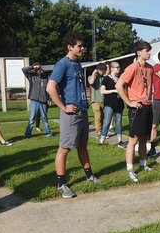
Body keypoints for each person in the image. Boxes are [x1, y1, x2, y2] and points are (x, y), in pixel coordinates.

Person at [47, 33, 99, 198]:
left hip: (82, 111)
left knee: (82, 146)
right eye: (79, 46)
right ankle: (61, 184)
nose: (82, 48)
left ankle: (89, 174)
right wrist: (63, 107)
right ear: (70, 47)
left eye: (82, 46)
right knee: (65, 148)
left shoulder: (77, 64)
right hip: (71, 113)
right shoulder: (62, 64)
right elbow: (50, 88)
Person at [116, 41, 154, 183]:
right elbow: (119, 85)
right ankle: (130, 169)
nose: (149, 53)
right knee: (133, 140)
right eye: (147, 50)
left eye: (149, 50)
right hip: (136, 108)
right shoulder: (132, 67)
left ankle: (144, 164)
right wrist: (129, 102)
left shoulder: (150, 68)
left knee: (144, 138)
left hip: (147, 106)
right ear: (139, 52)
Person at [22, 61, 54, 138]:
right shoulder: (31, 76)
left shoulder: (46, 76)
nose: (38, 70)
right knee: (32, 118)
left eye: (39, 68)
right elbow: (23, 69)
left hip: (44, 101)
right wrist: (33, 67)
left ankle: (48, 133)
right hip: (34, 100)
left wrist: (49, 99)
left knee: (44, 118)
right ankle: (27, 134)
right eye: (36, 69)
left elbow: (49, 88)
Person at [99, 61, 125, 147]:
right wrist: (113, 90)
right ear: (112, 68)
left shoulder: (120, 79)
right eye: (117, 67)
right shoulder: (106, 79)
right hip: (109, 103)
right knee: (106, 122)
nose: (119, 69)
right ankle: (101, 141)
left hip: (119, 103)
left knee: (119, 122)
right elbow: (102, 91)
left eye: (119, 67)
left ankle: (120, 141)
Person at [88, 62, 106, 136]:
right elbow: (91, 82)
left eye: (104, 70)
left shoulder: (104, 77)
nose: (103, 71)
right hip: (95, 100)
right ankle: (98, 132)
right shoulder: (91, 77)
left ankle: (102, 130)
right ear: (97, 70)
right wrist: (94, 73)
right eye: (101, 70)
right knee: (97, 117)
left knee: (103, 117)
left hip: (104, 100)